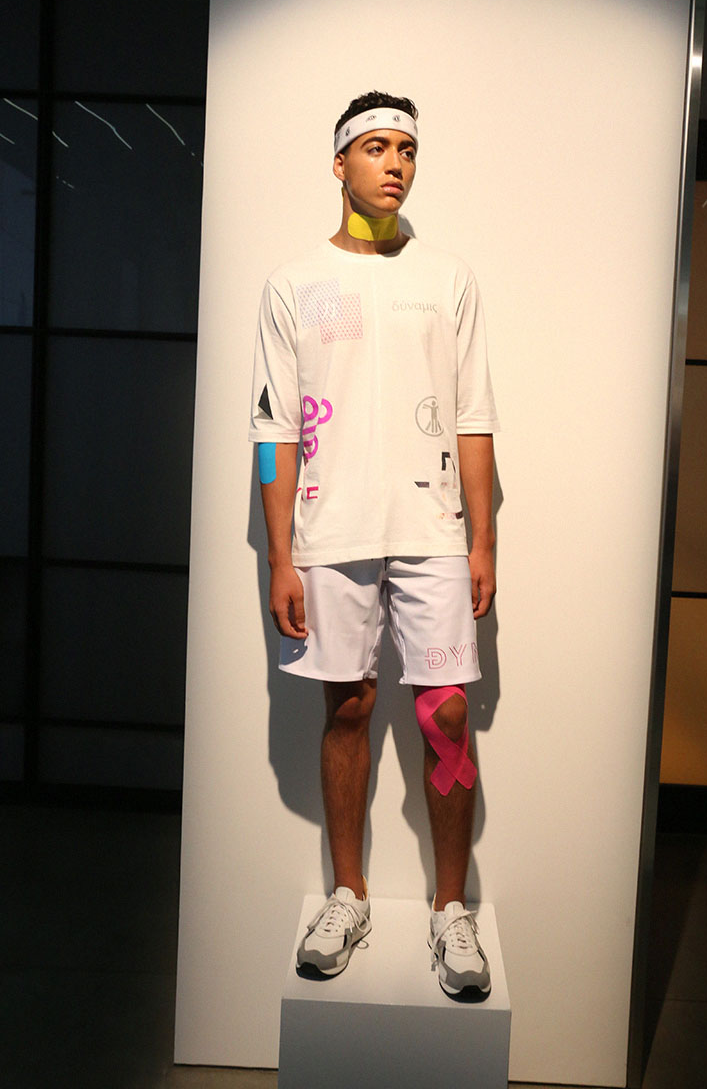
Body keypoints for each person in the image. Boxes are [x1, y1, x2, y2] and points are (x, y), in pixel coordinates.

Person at [249, 91, 499, 997]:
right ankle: (346, 896)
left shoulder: (448, 278)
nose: (395, 163)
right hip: (331, 530)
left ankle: (450, 909)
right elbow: (273, 429)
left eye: (407, 149)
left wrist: (483, 541)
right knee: (348, 707)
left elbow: (474, 416)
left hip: (433, 530)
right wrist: (280, 554)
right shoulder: (294, 283)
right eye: (377, 148)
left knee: (446, 715)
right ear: (340, 163)